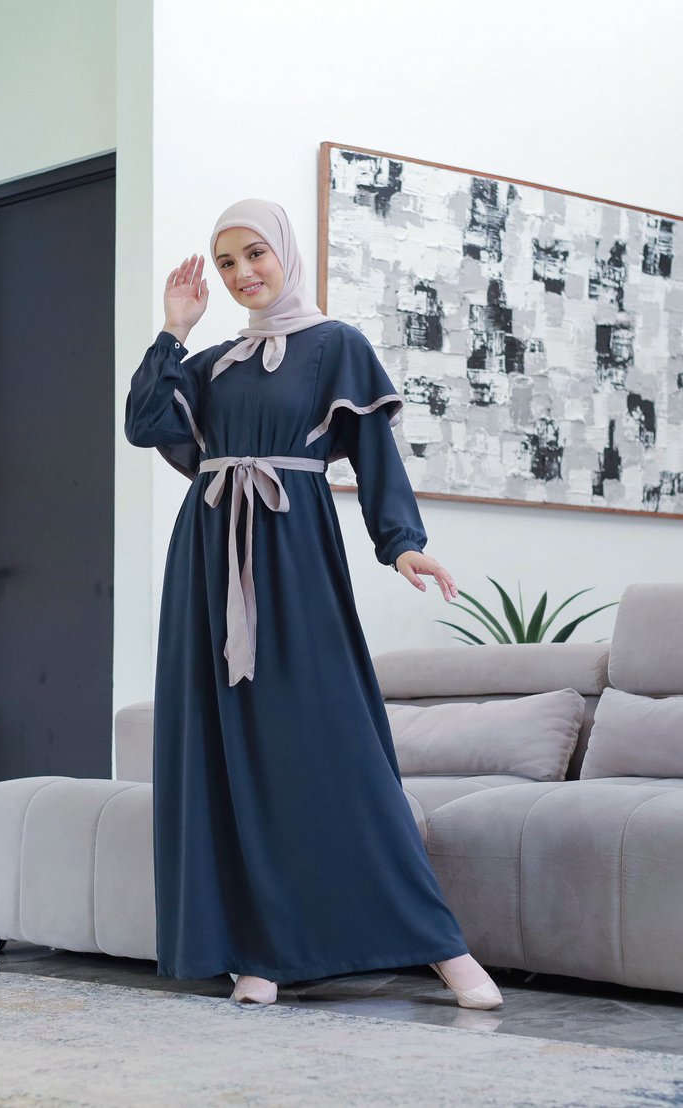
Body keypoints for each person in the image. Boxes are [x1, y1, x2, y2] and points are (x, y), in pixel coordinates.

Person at [124, 197, 503, 1010]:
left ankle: (443, 948)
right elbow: (146, 422)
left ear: (285, 253)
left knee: (334, 748)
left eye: (254, 253)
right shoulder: (213, 362)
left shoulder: (336, 346)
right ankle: (261, 951)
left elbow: (373, 453)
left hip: (293, 554)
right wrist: (174, 330)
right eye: (226, 263)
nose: (242, 273)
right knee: (228, 754)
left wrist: (401, 542)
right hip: (207, 559)